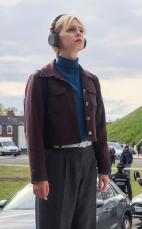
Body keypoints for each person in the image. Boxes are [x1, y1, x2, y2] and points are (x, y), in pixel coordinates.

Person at [24, 14, 110, 229]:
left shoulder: (91, 80)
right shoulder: (41, 78)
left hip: (87, 161)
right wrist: (38, 176)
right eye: (71, 29)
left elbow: (99, 127)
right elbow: (33, 132)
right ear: (54, 39)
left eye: (81, 30)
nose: (79, 33)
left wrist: (103, 168)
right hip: (56, 163)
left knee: (85, 224)